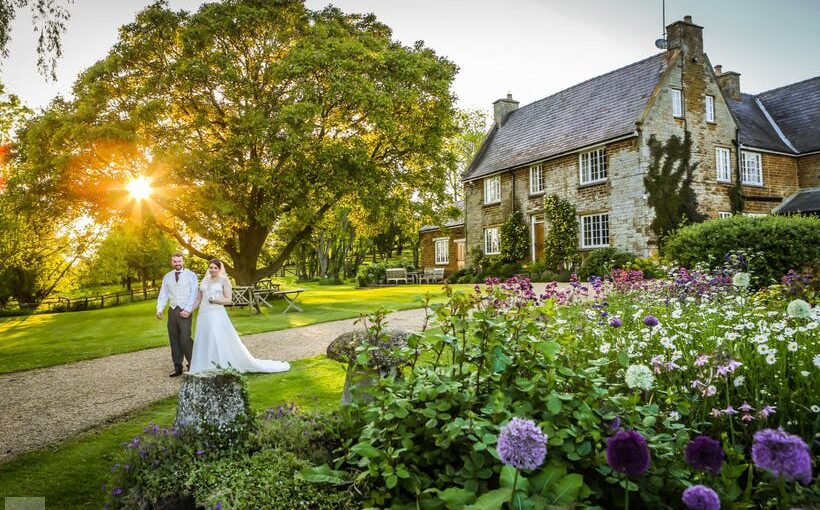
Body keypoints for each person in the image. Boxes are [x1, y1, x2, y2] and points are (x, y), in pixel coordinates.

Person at [189, 259, 290, 374]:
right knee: (205, 338)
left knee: (217, 338)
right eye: (211, 267)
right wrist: (189, 311)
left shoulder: (224, 281)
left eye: (215, 268)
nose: (212, 270)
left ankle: (221, 364)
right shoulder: (204, 280)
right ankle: (204, 365)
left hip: (216, 313)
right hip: (203, 314)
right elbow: (198, 299)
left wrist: (216, 300)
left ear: (219, 269)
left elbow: (229, 300)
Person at [156, 253, 199, 377]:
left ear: (183, 261)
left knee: (185, 339)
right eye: (175, 261)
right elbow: (163, 294)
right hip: (172, 310)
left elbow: (194, 293)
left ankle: (192, 364)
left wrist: (188, 309)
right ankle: (177, 367)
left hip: (185, 310)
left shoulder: (191, 275)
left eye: (179, 261)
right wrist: (159, 309)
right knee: (174, 339)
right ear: (172, 262)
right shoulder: (167, 277)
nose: (177, 263)